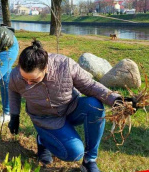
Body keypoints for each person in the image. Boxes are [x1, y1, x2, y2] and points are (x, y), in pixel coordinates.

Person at [7, 40, 136, 172]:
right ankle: (43, 140)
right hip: (45, 119)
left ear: (45, 68)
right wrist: (14, 115)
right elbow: (13, 90)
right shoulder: (16, 75)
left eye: (33, 80)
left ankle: (89, 161)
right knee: (75, 153)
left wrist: (116, 100)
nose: (28, 83)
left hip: (70, 108)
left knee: (94, 105)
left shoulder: (65, 65)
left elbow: (89, 86)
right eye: (25, 79)